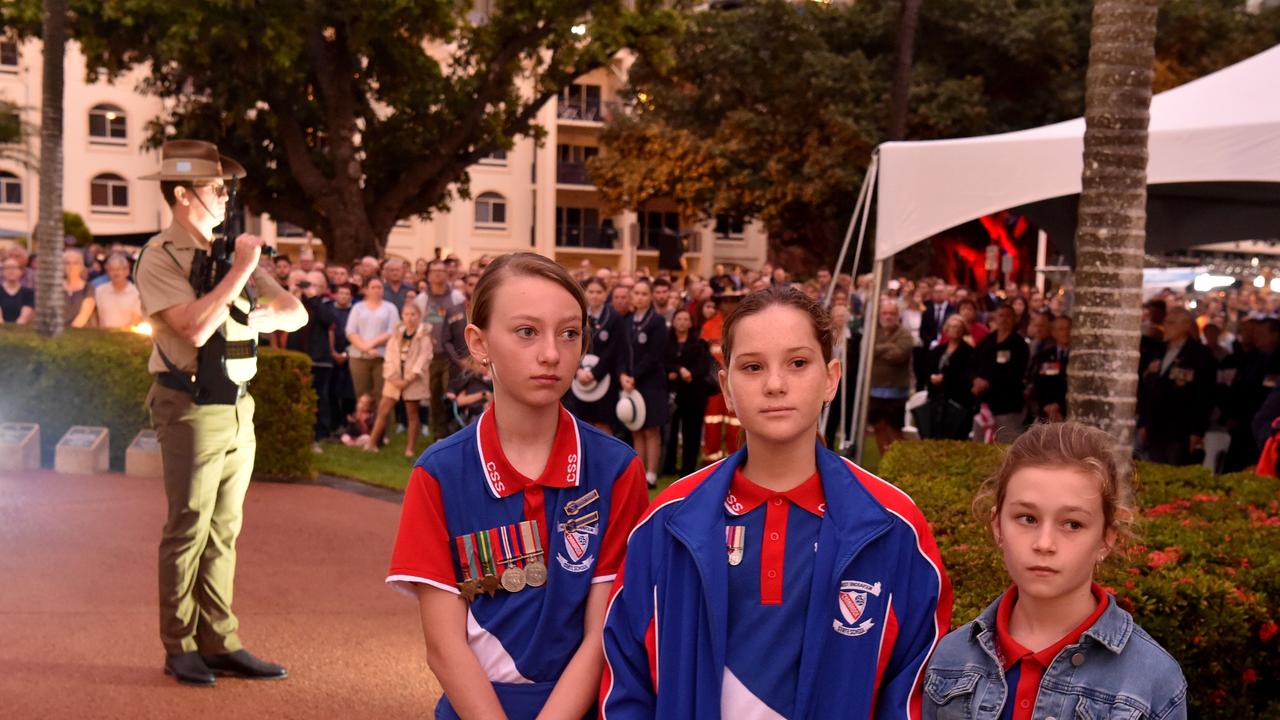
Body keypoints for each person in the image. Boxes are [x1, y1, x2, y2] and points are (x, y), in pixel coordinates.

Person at [601, 286, 952, 718]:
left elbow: (914, 690)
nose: (774, 384)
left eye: (798, 363)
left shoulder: (893, 526)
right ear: (726, 388)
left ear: (831, 378)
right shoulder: (668, 522)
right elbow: (625, 681)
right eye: (752, 367)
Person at [385, 252, 649, 719]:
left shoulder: (616, 470)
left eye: (569, 334)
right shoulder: (439, 474)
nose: (551, 353)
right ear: (479, 342)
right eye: (527, 332)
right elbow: (445, 648)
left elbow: (600, 636)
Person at [134, 140, 305, 686]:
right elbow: (192, 327)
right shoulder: (160, 254)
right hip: (188, 403)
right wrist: (239, 276)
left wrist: (250, 312)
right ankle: (179, 643)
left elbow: (294, 313)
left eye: (225, 188)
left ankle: (219, 642)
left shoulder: (230, 253)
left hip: (236, 402)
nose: (225, 197)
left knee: (225, 529)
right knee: (188, 526)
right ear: (183, 195)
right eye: (215, 188)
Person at [923, 422, 1187, 720]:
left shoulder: (1152, 680)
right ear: (998, 525)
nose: (1044, 544)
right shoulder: (951, 659)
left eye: (1072, 524)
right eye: (1027, 518)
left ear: (1106, 538)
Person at [1137, 307, 1215, 466]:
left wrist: (1197, 431)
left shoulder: (1199, 354)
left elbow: (1204, 395)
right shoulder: (1158, 350)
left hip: (1181, 428)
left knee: (1175, 470)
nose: (1166, 327)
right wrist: (1143, 422)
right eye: (1166, 322)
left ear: (1185, 326)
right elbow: (1148, 388)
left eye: (1171, 323)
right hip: (1155, 426)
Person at [619, 278, 669, 488]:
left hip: (650, 382)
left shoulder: (656, 321)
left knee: (651, 430)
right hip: (630, 382)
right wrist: (622, 374)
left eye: (644, 294)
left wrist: (635, 376)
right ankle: (639, 470)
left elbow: (654, 355)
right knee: (636, 428)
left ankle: (651, 473)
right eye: (636, 293)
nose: (639, 297)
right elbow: (620, 351)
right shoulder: (628, 321)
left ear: (650, 297)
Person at [366, 301, 432, 455]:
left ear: (419, 316)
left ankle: (410, 449)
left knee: (412, 414)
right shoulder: (396, 335)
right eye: (407, 314)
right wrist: (394, 378)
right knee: (383, 410)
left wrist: (408, 379)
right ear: (402, 316)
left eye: (413, 315)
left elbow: (423, 360)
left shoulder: (424, 337)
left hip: (413, 381)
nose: (410, 318)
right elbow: (388, 357)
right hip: (394, 379)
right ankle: (371, 443)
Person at [414, 259, 469, 442]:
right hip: (429, 356)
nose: (438, 274)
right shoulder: (421, 300)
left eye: (441, 271)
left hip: (451, 355)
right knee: (434, 395)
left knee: (450, 394)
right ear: (428, 275)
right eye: (434, 271)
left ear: (447, 274)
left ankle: (454, 434)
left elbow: (462, 327)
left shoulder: (456, 298)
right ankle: (438, 435)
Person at [564, 276, 622, 434]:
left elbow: (614, 350)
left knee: (603, 425)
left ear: (605, 294)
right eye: (591, 291)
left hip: (604, 379)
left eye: (599, 292)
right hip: (579, 378)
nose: (595, 295)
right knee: (581, 424)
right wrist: (577, 371)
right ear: (585, 293)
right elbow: (569, 344)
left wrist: (595, 374)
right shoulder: (576, 315)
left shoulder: (614, 318)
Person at [286, 270, 336, 446]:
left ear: (322, 287)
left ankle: (319, 435)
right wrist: (293, 294)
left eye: (313, 285)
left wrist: (314, 298)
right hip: (297, 356)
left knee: (318, 398)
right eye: (307, 283)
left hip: (318, 360)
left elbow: (328, 320)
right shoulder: (299, 300)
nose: (308, 288)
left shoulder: (326, 302)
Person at [662, 307, 712, 477]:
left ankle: (688, 468)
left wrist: (690, 373)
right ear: (673, 322)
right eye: (679, 319)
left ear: (691, 323)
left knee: (692, 433)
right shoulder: (666, 343)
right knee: (671, 432)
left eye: (685, 319)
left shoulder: (698, 343)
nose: (682, 322)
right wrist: (677, 369)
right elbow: (663, 363)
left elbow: (704, 366)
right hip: (673, 395)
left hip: (694, 394)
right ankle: (668, 467)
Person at [971, 304, 1030, 444]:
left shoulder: (1019, 344)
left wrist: (989, 383)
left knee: (1008, 445)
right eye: (1000, 316)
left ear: (1015, 319)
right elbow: (971, 364)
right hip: (984, 404)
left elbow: (1016, 372)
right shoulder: (987, 341)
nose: (1004, 319)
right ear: (995, 318)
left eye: (1008, 316)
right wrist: (975, 380)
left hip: (1008, 405)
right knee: (979, 444)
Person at [868, 297, 914, 453]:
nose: (888, 316)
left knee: (894, 428)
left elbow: (898, 355)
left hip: (896, 390)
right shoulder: (873, 332)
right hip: (874, 389)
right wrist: (887, 347)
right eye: (885, 313)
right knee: (878, 426)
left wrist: (877, 350)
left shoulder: (905, 335)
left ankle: (897, 459)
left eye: (892, 313)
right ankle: (883, 458)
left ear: (897, 315)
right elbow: (866, 350)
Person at [345, 276, 400, 402]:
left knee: (381, 394)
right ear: (366, 290)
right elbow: (351, 331)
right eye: (373, 287)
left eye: (379, 287)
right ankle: (362, 421)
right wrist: (365, 348)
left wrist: (371, 344)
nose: (376, 290)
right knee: (362, 395)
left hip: (382, 357)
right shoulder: (358, 307)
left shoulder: (390, 308)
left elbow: (393, 331)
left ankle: (381, 422)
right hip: (359, 357)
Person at [921, 314, 975, 440]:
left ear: (963, 330)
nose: (955, 330)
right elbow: (927, 368)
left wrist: (945, 379)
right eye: (952, 327)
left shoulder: (969, 352)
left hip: (958, 401)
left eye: (958, 327)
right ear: (946, 329)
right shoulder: (938, 350)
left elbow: (966, 374)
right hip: (937, 399)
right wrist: (931, 377)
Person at [1029, 315, 1071, 422]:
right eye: (1061, 329)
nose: (1066, 332)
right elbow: (1039, 383)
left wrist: (1059, 405)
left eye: (1068, 328)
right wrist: (1047, 405)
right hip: (1047, 412)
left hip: (1069, 411)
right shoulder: (1044, 356)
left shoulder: (1079, 356)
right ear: (1053, 332)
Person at [92, 252, 144, 329]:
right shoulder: (99, 291)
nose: (116, 273)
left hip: (128, 336)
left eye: (119, 269)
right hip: (102, 336)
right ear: (107, 272)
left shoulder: (136, 293)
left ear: (127, 271)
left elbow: (137, 319)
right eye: (112, 269)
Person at [447, 354, 493, 426]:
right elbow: (459, 398)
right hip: (474, 411)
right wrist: (483, 394)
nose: (483, 367)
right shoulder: (470, 378)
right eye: (479, 364)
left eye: (485, 364)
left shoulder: (493, 380)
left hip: (488, 408)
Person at [62, 249, 96, 328]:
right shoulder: (55, 287)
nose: (71, 267)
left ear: (81, 266)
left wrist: (69, 333)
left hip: (81, 334)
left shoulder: (88, 288)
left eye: (75, 263)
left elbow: (84, 315)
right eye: (67, 263)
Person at [1, 256, 35, 324]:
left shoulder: (29, 293)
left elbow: (23, 319)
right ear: (2, 272)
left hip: (21, 332)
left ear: (21, 271)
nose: (11, 271)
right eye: (7, 268)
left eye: (14, 267)